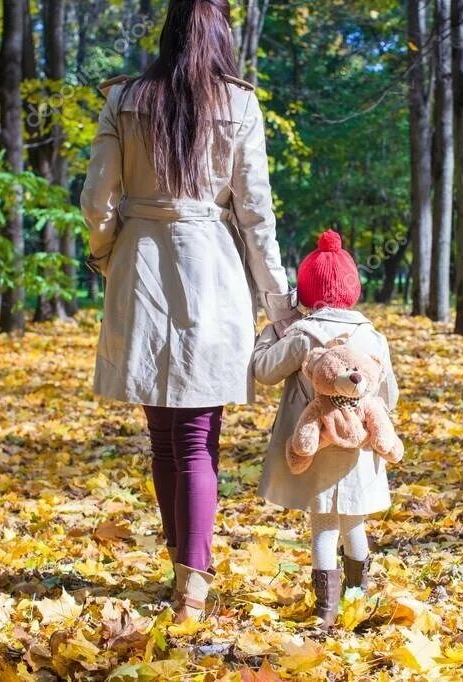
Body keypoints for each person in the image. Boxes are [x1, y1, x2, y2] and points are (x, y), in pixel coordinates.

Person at [80, 0, 298, 623]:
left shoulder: (125, 98)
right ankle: (192, 581)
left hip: (140, 266)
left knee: (164, 437)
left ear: (168, 32)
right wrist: (280, 304)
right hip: (212, 269)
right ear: (220, 35)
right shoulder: (239, 104)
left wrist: (106, 253)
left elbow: (98, 198)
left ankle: (183, 564)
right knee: (199, 437)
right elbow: (256, 215)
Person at [252, 230, 402, 629]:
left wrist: (270, 334)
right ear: (352, 289)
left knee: (322, 526)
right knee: (354, 522)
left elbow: (264, 371)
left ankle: (326, 610)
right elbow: (389, 394)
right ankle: (357, 596)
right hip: (361, 448)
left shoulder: (301, 335)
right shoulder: (373, 336)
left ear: (305, 291)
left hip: (316, 445)